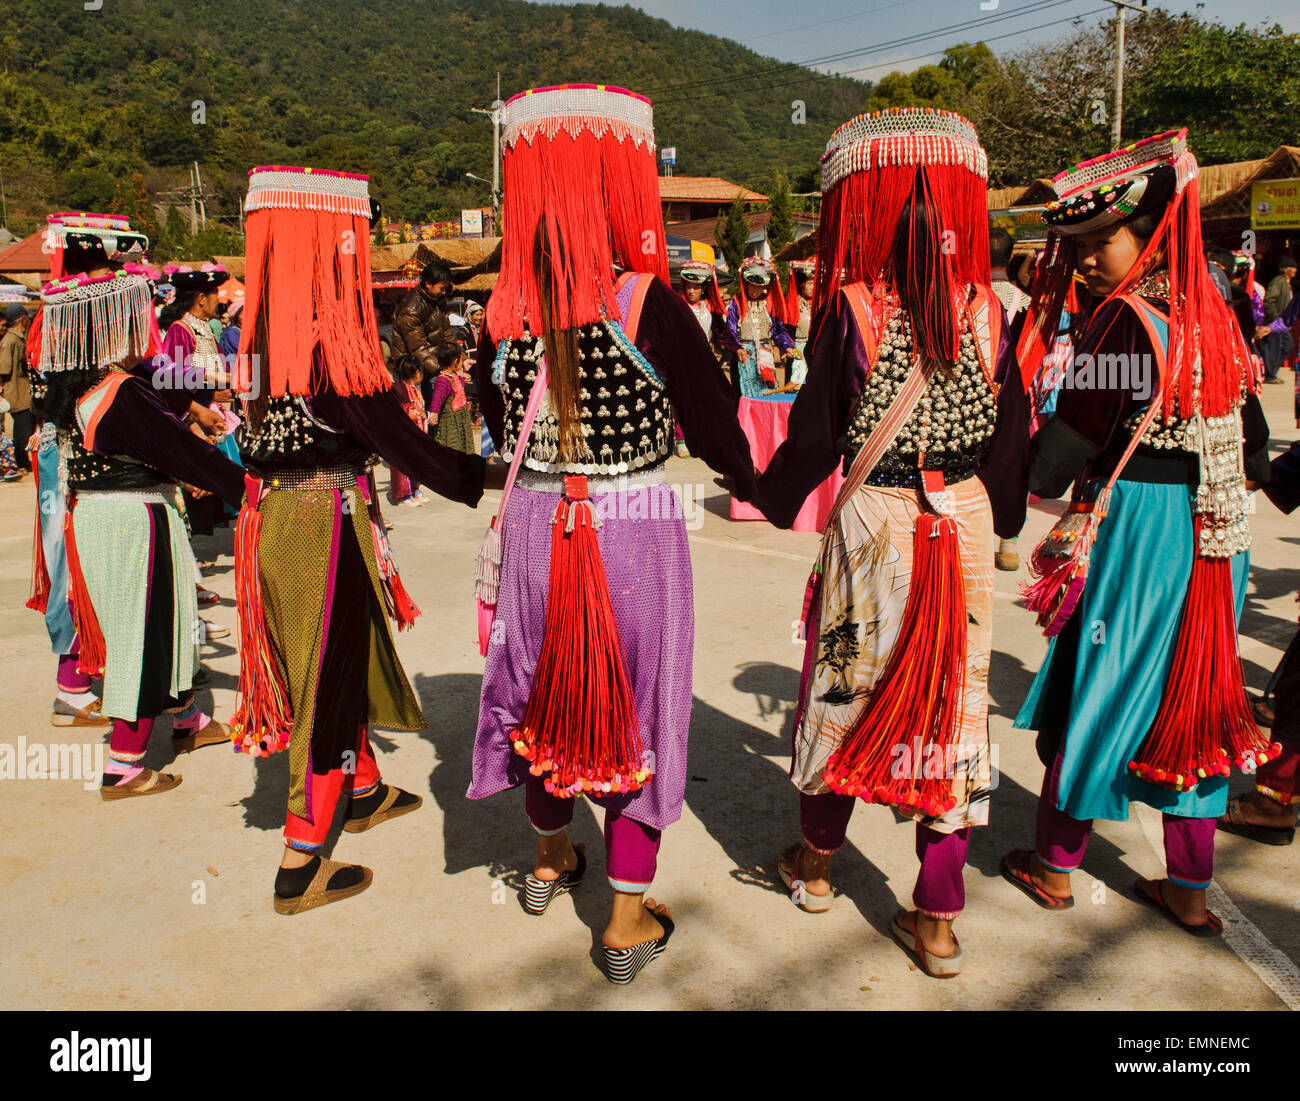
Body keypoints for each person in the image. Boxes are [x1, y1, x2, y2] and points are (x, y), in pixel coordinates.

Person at [469, 83, 758, 983]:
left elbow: (489, 413)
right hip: (632, 519)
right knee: (636, 700)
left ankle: (552, 858)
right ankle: (628, 918)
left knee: (548, 689)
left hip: (532, 522)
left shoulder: (504, 313)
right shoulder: (645, 302)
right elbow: (718, 428)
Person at [752, 108, 1028, 978]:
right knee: (955, 709)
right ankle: (938, 920)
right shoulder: (992, 310)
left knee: (841, 683)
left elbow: (811, 438)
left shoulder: (855, 310)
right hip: (965, 523)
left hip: (874, 518)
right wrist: (1003, 517)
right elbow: (1014, 439)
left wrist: (764, 495)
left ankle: (820, 868)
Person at [1004, 129, 1272, 935]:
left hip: (1145, 528)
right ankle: (1187, 887)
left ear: (1148, 230)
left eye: (1100, 241)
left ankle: (1056, 864)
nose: (1085, 259)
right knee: (1201, 693)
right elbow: (1255, 442)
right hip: (1219, 531)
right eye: (1075, 245)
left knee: (1106, 680)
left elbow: (1056, 461)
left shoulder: (1124, 321)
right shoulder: (1213, 308)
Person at [229, 164, 484, 914]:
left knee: (351, 649)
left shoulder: (270, 336)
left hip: (286, 517)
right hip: (321, 525)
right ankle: (301, 856)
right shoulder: (329, 347)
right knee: (329, 676)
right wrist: (494, 474)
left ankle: (363, 786)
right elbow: (403, 443)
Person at [38, 266, 246, 798]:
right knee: (145, 631)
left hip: (108, 515)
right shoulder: (122, 392)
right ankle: (123, 764)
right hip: (133, 519)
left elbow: (162, 443)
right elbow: (182, 450)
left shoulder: (80, 389)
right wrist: (252, 490)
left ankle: (186, 721)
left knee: (170, 618)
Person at [990, 228, 1030, 572]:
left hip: (970, 389)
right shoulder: (1026, 301)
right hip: (1013, 392)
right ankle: (1008, 542)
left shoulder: (967, 296)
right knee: (1011, 463)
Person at [675, 260, 739, 456]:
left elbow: (721, 331)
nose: (692, 291)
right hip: (682, 361)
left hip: (705, 361)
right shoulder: (677, 306)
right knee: (683, 400)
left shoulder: (709, 306)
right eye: (688, 286)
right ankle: (682, 438)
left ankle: (703, 436)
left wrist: (737, 349)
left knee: (706, 400)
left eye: (696, 287)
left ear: (703, 288)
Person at [390, 259, 459, 412]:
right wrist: (445, 371)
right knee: (418, 417)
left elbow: (447, 333)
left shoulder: (437, 301)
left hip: (432, 367)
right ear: (428, 283)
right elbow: (420, 351)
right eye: (442, 288)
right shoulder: (411, 310)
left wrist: (458, 358)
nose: (444, 292)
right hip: (412, 373)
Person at [725, 256, 794, 396]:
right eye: (752, 286)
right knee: (745, 394)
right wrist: (737, 349)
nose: (755, 291)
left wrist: (786, 346)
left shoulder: (768, 304)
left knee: (768, 392)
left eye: (759, 287)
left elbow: (778, 330)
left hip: (765, 354)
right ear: (746, 284)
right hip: (744, 356)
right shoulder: (736, 303)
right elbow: (730, 330)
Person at [387, 355, 429, 507]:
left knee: (417, 463)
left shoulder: (415, 390)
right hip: (404, 434)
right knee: (403, 465)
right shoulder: (399, 388)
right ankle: (403, 495)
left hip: (418, 433)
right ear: (417, 373)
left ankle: (415, 489)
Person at [0, 304, 34, 472]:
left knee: (25, 428)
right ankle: (21, 462)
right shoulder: (10, 341)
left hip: (22, 391)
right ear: (22, 318)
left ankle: (22, 462)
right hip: (16, 393)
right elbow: (3, 369)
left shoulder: (18, 338)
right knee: (22, 431)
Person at [428, 342, 476, 456]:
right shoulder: (442, 380)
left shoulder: (452, 376)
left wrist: (463, 379)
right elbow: (437, 398)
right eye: (460, 359)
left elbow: (456, 385)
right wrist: (434, 413)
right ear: (455, 361)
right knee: (451, 446)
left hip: (460, 420)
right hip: (450, 423)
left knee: (461, 445)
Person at [1260, 256, 1296, 384]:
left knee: (1287, 345)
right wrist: (1275, 318)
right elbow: (1269, 300)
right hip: (1276, 322)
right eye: (1292, 267)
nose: (1295, 270)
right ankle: (1269, 374)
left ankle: (1271, 371)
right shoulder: (1278, 281)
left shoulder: (1287, 283)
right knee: (1274, 347)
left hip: (1282, 323)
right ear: (1284, 269)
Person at [783, 259, 816, 386]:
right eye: (810, 284)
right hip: (798, 350)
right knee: (796, 385)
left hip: (814, 350)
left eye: (815, 284)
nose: (813, 287)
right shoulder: (792, 305)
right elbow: (785, 329)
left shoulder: (819, 305)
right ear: (802, 285)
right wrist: (788, 347)